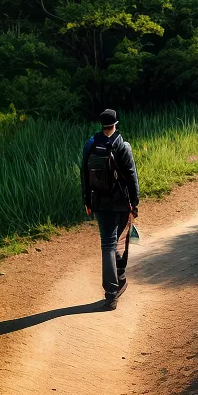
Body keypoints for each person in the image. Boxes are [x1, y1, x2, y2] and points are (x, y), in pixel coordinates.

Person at [81, 108, 140, 309]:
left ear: (102, 125)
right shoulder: (123, 146)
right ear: (115, 124)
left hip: (98, 202)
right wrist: (135, 204)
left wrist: (87, 202)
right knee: (111, 243)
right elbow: (132, 178)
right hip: (121, 203)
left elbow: (84, 175)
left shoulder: (90, 145)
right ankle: (115, 286)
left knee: (108, 242)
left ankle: (114, 287)